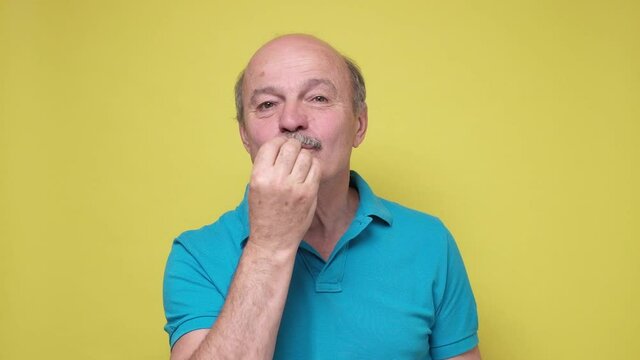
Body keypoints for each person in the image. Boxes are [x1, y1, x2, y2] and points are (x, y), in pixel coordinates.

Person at [163, 33, 480, 360]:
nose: (290, 121)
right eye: (267, 104)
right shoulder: (196, 255)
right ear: (245, 136)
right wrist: (270, 245)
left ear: (359, 123)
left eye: (317, 98)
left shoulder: (430, 242)